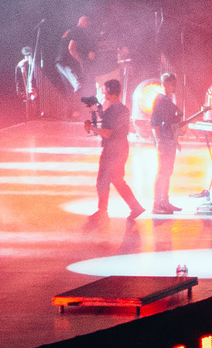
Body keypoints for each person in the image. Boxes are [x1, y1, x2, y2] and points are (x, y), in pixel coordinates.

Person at [85, 78, 142, 223]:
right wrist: (97, 110)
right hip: (122, 148)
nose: (104, 95)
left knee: (103, 180)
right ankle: (135, 207)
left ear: (110, 92)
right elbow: (108, 121)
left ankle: (102, 211)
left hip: (112, 150)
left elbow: (108, 132)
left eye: (105, 92)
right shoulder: (123, 109)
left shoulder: (112, 111)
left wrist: (92, 128)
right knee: (117, 180)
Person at [148, 72, 184, 213]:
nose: (175, 86)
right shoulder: (161, 100)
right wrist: (159, 142)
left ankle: (165, 201)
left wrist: (175, 140)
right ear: (167, 84)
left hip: (169, 141)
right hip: (164, 141)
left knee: (167, 172)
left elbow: (171, 124)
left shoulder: (167, 100)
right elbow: (154, 124)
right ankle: (157, 204)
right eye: (173, 83)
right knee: (162, 172)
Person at [55, 15, 95, 105]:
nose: (89, 26)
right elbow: (71, 48)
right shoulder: (79, 30)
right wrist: (80, 61)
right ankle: (79, 110)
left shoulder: (70, 30)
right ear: (84, 23)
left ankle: (72, 113)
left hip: (60, 62)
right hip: (66, 62)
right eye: (88, 23)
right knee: (78, 86)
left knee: (70, 88)